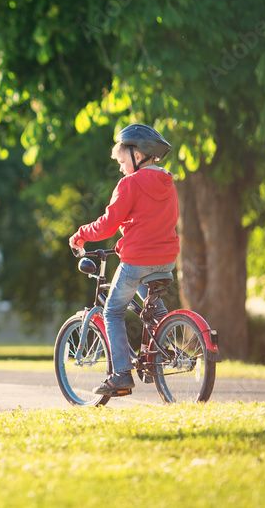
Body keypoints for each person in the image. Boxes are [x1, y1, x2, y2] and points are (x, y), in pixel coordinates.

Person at [68, 123, 179, 396]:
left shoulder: (130, 183)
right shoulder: (167, 182)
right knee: (149, 304)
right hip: (166, 259)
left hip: (137, 260)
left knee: (113, 312)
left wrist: (80, 236)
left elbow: (107, 224)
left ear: (137, 155)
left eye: (121, 161)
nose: (120, 167)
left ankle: (120, 374)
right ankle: (165, 347)